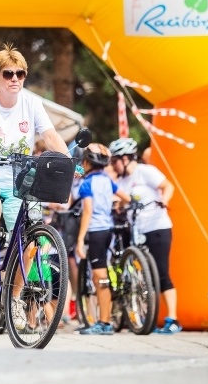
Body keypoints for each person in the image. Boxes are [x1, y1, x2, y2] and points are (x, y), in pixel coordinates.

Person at [0, 44, 69, 330]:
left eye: (20, 74)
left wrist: (67, 159)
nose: (15, 79)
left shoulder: (31, 103)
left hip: (18, 178)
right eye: (8, 74)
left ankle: (15, 298)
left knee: (31, 233)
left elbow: (49, 134)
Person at [109, 137, 180, 334]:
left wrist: (164, 200)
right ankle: (148, 320)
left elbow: (168, 186)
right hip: (137, 231)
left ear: (125, 158)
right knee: (142, 277)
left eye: (115, 160)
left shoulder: (145, 171)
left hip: (157, 226)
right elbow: (123, 200)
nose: (113, 165)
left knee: (162, 273)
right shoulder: (122, 181)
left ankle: (173, 319)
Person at [74, 144, 131, 335]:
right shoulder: (107, 180)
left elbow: (87, 212)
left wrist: (80, 239)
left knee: (100, 278)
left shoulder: (86, 184)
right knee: (103, 275)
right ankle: (105, 320)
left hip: (96, 231)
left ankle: (104, 322)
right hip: (109, 230)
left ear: (86, 162)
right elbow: (126, 197)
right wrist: (117, 205)